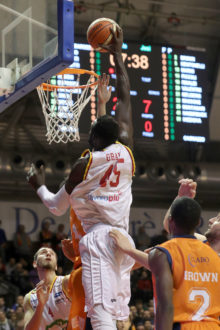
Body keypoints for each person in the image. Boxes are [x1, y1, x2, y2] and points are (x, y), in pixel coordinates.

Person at [27, 26, 135, 329]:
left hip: (99, 240)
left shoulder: (84, 164)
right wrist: (117, 56)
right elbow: (125, 102)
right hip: (123, 241)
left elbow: (56, 206)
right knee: (114, 316)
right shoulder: (127, 151)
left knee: (99, 315)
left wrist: (38, 186)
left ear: (93, 139)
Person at [110, 197, 220, 329]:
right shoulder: (209, 252)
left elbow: (166, 305)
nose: (211, 220)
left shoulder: (167, 252)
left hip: (183, 323)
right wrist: (181, 196)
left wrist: (129, 250)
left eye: (218, 219)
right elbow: (176, 227)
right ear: (197, 223)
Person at [23, 245, 72, 330]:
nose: (48, 253)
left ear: (56, 266)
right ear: (35, 263)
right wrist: (40, 305)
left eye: (52, 253)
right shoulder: (29, 298)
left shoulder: (66, 282)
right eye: (43, 252)